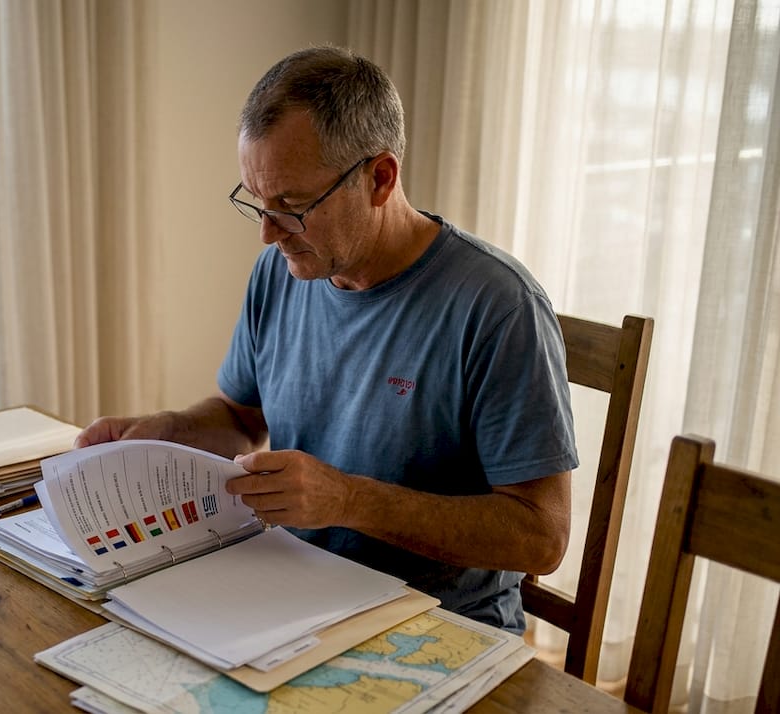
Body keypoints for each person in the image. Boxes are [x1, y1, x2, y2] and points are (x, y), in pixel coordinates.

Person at [74, 46, 577, 633]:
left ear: (380, 178)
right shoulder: (282, 271)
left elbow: (541, 537)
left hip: (437, 628)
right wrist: (165, 435)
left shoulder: (497, 306)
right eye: (256, 202)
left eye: (291, 205)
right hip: (291, 594)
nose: (267, 233)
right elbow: (241, 416)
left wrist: (349, 500)